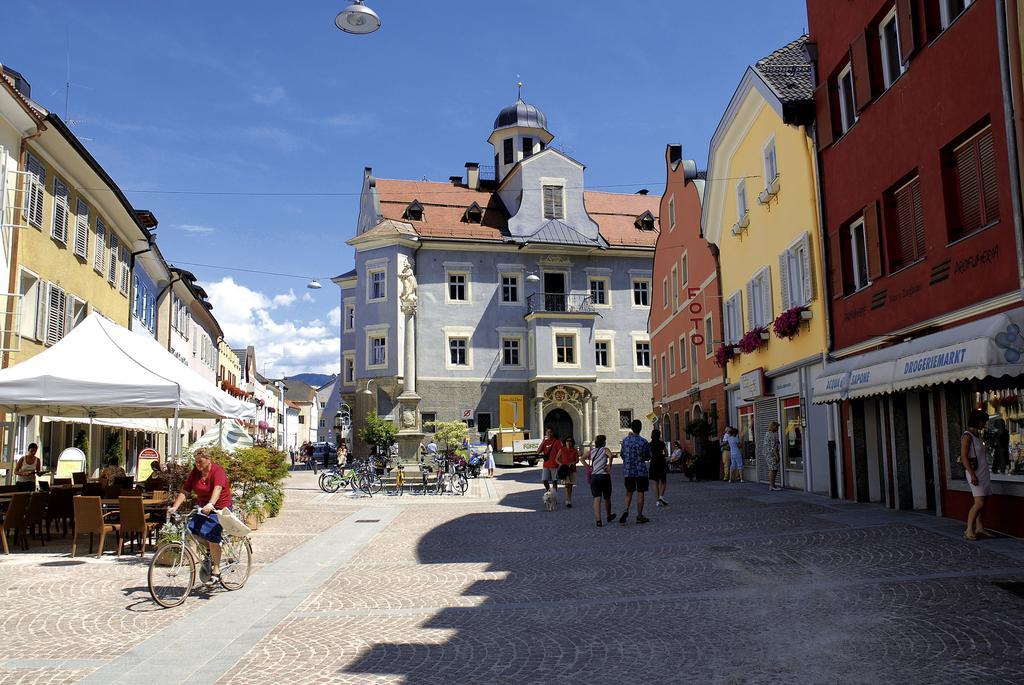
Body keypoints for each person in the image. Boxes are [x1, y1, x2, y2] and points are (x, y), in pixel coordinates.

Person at [168, 449, 233, 583]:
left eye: (200, 462)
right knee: (192, 531)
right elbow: (185, 490)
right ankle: (211, 550)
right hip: (203, 508)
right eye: (196, 462)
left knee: (212, 538)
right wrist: (175, 506)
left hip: (219, 508)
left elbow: (218, 489)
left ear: (208, 460)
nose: (198, 464)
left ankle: (216, 570)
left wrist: (211, 504)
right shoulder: (195, 473)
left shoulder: (217, 471)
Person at [960, 409, 993, 541]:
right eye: (983, 421)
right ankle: (968, 529)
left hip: (983, 472)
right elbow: (964, 457)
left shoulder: (977, 435)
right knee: (979, 503)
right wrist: (972, 474)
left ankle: (980, 528)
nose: (984, 424)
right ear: (977, 421)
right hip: (975, 473)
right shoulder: (967, 436)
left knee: (984, 503)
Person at [618, 419, 651, 524]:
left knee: (629, 491)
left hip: (628, 470)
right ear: (640, 428)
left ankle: (626, 509)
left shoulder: (625, 440)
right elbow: (648, 456)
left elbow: (622, 455)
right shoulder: (643, 441)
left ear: (631, 428)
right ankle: (639, 515)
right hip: (641, 470)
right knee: (640, 492)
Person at [581, 434, 615, 527]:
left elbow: (582, 458)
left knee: (597, 498)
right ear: (603, 442)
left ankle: (598, 520)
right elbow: (611, 456)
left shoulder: (592, 451)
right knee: (607, 497)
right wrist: (609, 466)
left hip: (594, 477)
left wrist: (588, 467)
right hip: (604, 476)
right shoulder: (605, 449)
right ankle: (608, 515)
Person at [537, 427, 563, 500]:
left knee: (554, 481)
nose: (549, 433)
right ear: (546, 433)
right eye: (548, 432)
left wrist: (560, 461)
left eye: (550, 432)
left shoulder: (557, 442)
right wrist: (542, 442)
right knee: (544, 480)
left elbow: (561, 451)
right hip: (546, 464)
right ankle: (549, 493)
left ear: (553, 433)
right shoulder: (545, 442)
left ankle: (554, 496)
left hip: (554, 465)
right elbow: (538, 451)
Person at [649, 429, 669, 507]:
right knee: (663, 481)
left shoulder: (650, 444)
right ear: (659, 435)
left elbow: (648, 454)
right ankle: (661, 496)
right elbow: (666, 453)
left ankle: (657, 500)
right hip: (661, 462)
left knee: (655, 482)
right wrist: (662, 456)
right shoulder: (661, 443)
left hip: (653, 463)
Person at [557, 436, 579, 508]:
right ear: (565, 442)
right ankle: (567, 500)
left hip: (572, 469)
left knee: (571, 485)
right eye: (567, 441)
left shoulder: (575, 450)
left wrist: (573, 463)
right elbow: (556, 459)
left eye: (570, 441)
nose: (568, 442)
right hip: (565, 470)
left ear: (572, 442)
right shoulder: (562, 449)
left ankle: (569, 499)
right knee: (567, 485)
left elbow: (577, 460)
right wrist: (562, 465)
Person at [762, 422, 782, 491]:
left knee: (773, 469)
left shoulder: (767, 433)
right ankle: (772, 485)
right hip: (772, 454)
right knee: (773, 469)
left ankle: (772, 485)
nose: (778, 429)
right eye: (777, 427)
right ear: (774, 427)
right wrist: (777, 456)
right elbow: (773, 447)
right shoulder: (772, 435)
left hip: (767, 454)